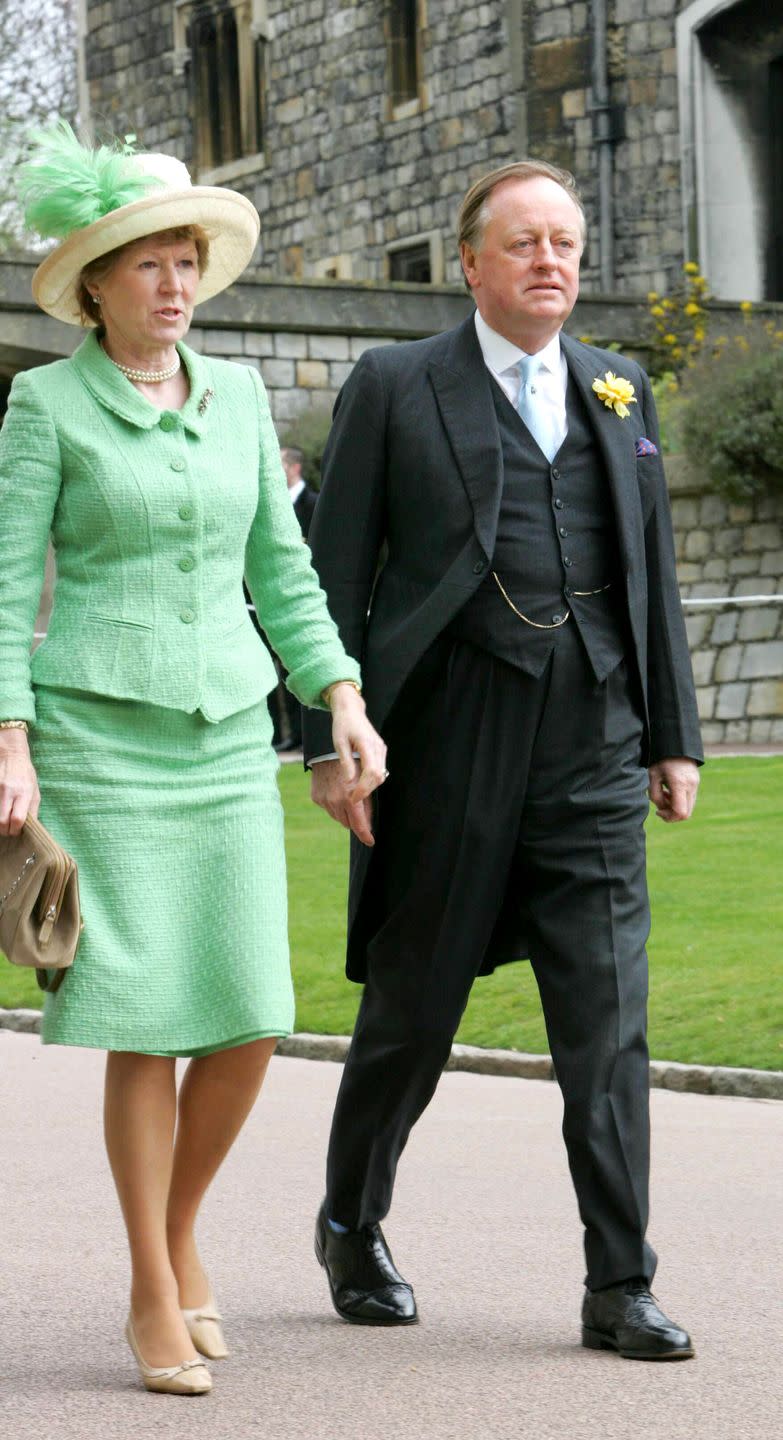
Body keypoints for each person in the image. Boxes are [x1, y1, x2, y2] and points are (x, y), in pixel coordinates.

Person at [0, 122, 386, 1396]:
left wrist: (339, 692)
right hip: (99, 742)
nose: (171, 281)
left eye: (185, 260)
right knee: (146, 1023)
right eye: (145, 262)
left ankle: (175, 1234)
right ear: (95, 283)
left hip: (227, 736)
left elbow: (285, 571)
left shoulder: (240, 405)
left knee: (251, 1017)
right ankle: (154, 1291)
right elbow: (5, 591)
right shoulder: (43, 403)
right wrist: (6, 737)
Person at [303, 160, 702, 1360]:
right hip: (447, 737)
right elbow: (329, 573)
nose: (550, 261)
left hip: (594, 738)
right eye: (523, 243)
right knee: (413, 1012)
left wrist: (672, 737)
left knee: (608, 1021)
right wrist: (327, 739)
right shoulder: (393, 383)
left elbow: (656, 580)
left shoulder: (620, 389)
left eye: (566, 243)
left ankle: (619, 1283)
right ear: (471, 262)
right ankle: (351, 1222)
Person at [257, 445, 319, 751]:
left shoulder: (315, 504)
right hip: (260, 602)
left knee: (301, 668)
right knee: (270, 672)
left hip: (302, 599)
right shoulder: (268, 501)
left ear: (294, 467)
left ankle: (305, 738)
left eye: (280, 463)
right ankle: (282, 736)